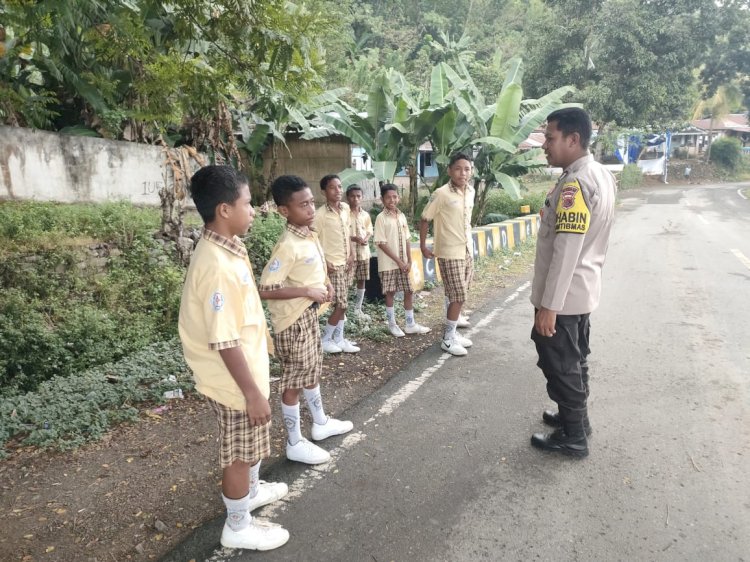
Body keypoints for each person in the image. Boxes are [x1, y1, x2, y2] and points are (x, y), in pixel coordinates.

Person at [178, 165, 289, 551]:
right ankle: (238, 525)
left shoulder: (228, 247)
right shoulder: (216, 266)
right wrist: (252, 394)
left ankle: (252, 493)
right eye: (248, 203)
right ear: (224, 210)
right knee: (239, 453)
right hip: (234, 383)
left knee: (251, 443)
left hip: (246, 373)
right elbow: (224, 342)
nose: (255, 209)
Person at [529, 107, 616, 458]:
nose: (545, 146)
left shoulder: (575, 183)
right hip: (582, 291)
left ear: (573, 139)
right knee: (576, 361)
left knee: (562, 366)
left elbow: (567, 248)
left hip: (563, 298)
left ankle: (574, 435)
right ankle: (574, 419)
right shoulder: (600, 174)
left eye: (550, 138)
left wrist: (549, 305)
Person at [259, 175, 354, 465]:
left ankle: (320, 422)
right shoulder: (288, 244)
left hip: (309, 316)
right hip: (293, 324)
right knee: (294, 383)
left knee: (311, 372)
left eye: (312, 202)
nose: (311, 209)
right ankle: (294, 442)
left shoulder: (308, 234)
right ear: (284, 211)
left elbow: (314, 267)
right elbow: (265, 288)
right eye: (303, 205)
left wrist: (326, 284)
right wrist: (306, 291)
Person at [419, 153, 475, 357]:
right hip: (449, 252)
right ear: (450, 171)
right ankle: (448, 338)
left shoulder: (471, 191)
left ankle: (453, 334)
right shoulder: (441, 194)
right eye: (458, 168)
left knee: (461, 292)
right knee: (458, 294)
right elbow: (425, 219)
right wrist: (424, 246)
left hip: (467, 249)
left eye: (467, 169)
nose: (463, 173)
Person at [374, 183, 431, 337]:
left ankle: (410, 323)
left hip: (404, 264)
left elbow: (407, 239)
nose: (392, 200)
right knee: (390, 293)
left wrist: (409, 260)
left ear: (398, 198)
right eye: (388, 197)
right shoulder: (381, 218)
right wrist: (399, 261)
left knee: (408, 291)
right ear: (382, 199)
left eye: (394, 197)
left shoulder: (401, 216)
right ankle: (392, 324)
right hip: (388, 264)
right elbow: (381, 243)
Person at [314, 174, 359, 353]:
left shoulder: (346, 209)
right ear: (324, 191)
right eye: (333, 187)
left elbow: (347, 232)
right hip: (333, 265)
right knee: (341, 304)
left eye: (339, 187)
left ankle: (338, 339)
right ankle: (325, 339)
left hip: (347, 262)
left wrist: (351, 252)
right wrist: (324, 261)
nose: (338, 191)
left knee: (343, 302)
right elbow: (313, 240)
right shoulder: (320, 215)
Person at [346, 184, 373, 320]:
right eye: (352, 196)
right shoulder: (344, 214)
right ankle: (342, 310)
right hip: (349, 255)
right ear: (347, 197)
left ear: (362, 198)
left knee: (361, 279)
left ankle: (358, 308)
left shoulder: (365, 215)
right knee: (347, 281)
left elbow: (369, 230)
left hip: (364, 253)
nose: (355, 199)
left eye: (358, 196)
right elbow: (341, 233)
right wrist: (354, 238)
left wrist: (366, 239)